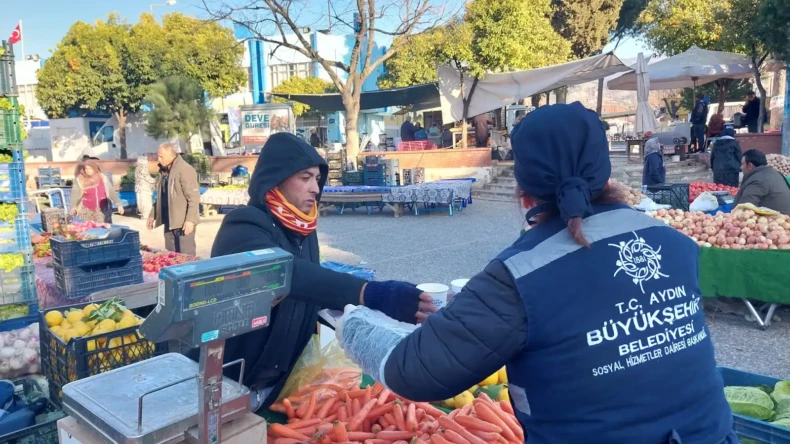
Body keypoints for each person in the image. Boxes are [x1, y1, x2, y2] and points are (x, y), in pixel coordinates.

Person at [336, 102, 737, 444]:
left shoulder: (520, 275)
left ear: (523, 190)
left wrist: (354, 322)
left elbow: (411, 372)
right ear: (605, 172)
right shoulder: (673, 241)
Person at [208, 132, 437, 412]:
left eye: (317, 179)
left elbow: (313, 291)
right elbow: (285, 273)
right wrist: (371, 293)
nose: (316, 188)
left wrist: (373, 328)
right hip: (226, 385)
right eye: (305, 178)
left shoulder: (304, 234)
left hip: (279, 388)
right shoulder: (244, 225)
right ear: (275, 180)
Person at [147, 143, 200, 256]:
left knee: (187, 257)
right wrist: (153, 214)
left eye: (162, 156)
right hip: (169, 221)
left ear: (171, 155)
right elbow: (162, 196)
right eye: (158, 156)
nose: (159, 159)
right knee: (171, 256)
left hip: (183, 222)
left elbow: (193, 198)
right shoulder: (164, 171)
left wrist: (190, 220)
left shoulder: (185, 169)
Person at [733, 149, 790, 214]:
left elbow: (743, 209)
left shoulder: (758, 180)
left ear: (750, 166)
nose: (741, 167)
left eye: (742, 164)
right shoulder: (774, 173)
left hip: (776, 221)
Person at [70, 159, 123, 223]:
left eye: (90, 168)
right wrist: (73, 206)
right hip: (86, 210)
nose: (88, 170)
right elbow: (74, 193)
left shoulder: (103, 177)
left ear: (94, 168)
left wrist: (119, 204)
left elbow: (111, 191)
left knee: (103, 230)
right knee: (88, 230)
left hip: (102, 210)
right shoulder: (80, 179)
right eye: (86, 169)